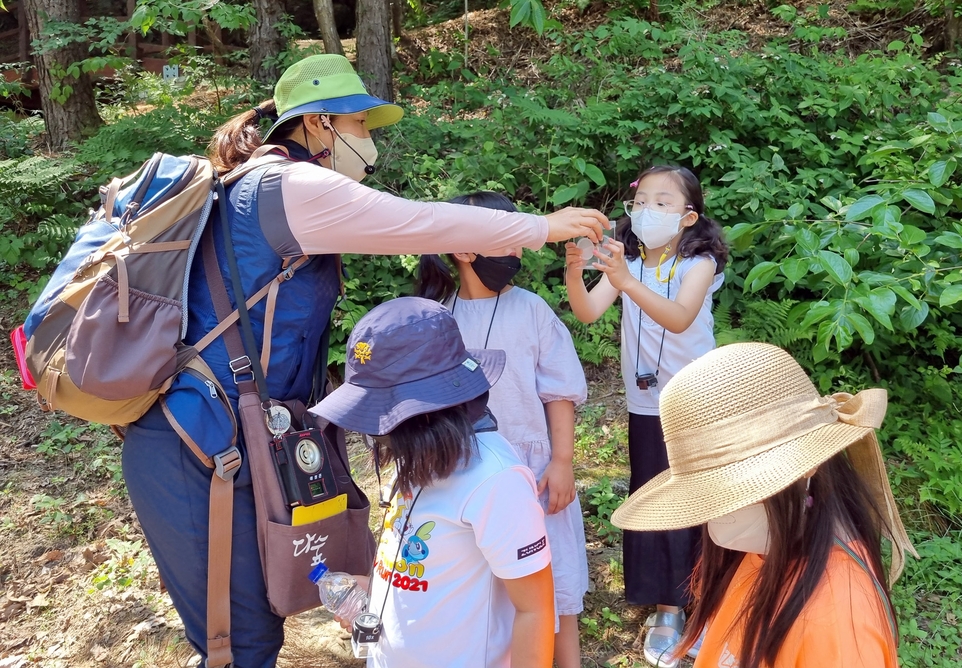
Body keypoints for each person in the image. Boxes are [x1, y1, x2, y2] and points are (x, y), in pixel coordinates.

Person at [119, 54, 608, 668]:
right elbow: (417, 222)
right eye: (360, 125)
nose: (369, 144)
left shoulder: (253, 188)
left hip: (226, 434)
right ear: (320, 124)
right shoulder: (288, 187)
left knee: (253, 627)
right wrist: (538, 226)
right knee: (237, 642)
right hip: (201, 443)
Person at [610, 342, 918, 667]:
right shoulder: (764, 551)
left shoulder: (835, 623)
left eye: (718, 490)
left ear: (800, 470)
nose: (702, 514)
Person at [310, 297, 556, 668]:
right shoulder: (415, 460)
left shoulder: (496, 480)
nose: (379, 435)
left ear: (425, 414)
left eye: (384, 417)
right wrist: (375, 591)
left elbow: (534, 610)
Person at [417, 191, 590, 668]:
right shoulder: (436, 316)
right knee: (492, 596)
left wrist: (561, 462)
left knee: (555, 593)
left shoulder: (531, 309)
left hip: (534, 476)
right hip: (463, 479)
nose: (517, 247)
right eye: (506, 236)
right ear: (464, 250)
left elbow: (560, 391)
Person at [565, 165, 728, 667]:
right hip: (646, 405)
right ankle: (668, 607)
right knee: (655, 497)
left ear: (688, 217)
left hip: (695, 402)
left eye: (664, 202)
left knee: (701, 499)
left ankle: (711, 601)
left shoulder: (697, 263)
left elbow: (679, 317)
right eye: (643, 202)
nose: (649, 211)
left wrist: (624, 281)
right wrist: (576, 269)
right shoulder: (627, 262)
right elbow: (588, 312)